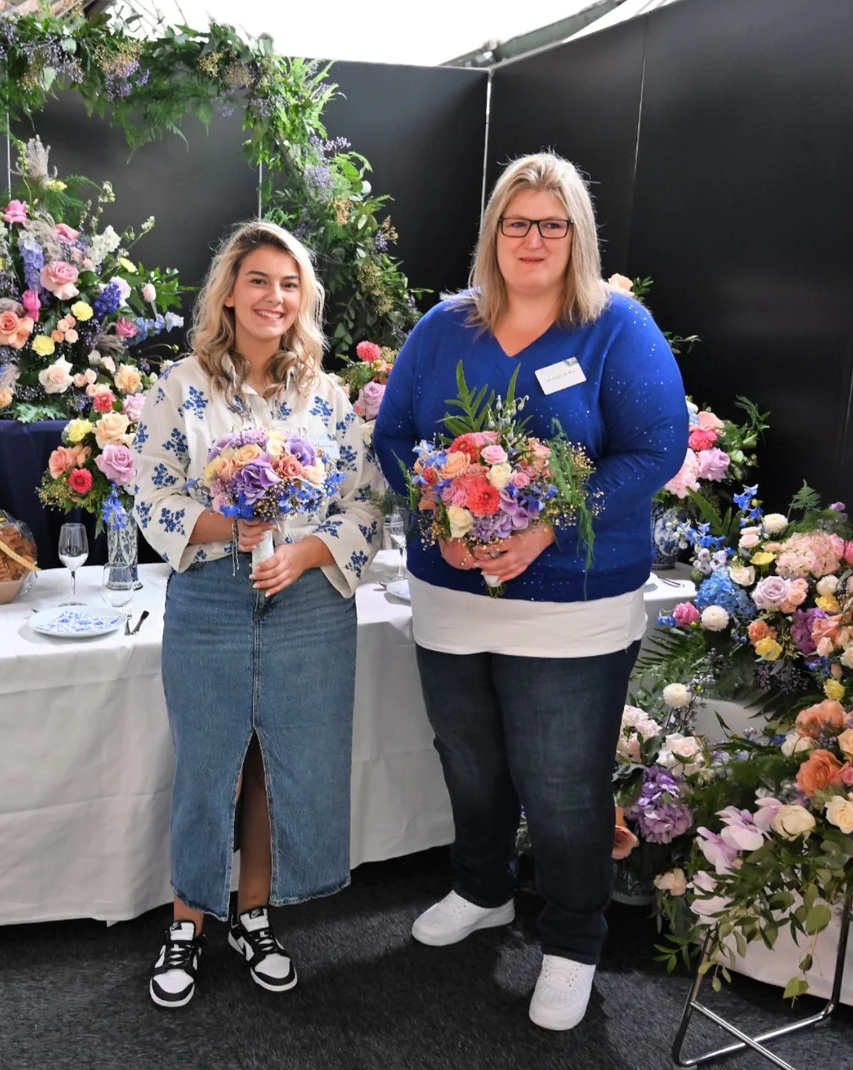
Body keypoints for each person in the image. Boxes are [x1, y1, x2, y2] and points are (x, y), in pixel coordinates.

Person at [373, 153, 687, 1031]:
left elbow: (654, 446)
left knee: (563, 783)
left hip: (574, 602)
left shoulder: (615, 328)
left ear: (577, 237)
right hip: (451, 592)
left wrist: (552, 522)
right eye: (518, 223)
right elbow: (397, 433)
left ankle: (574, 938)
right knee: (469, 763)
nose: (535, 239)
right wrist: (438, 510)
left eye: (554, 224)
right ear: (493, 236)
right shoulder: (445, 326)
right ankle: (482, 890)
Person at [132, 220, 384, 1008]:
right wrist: (226, 528)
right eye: (258, 281)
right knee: (210, 758)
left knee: (280, 762)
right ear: (229, 293)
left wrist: (305, 554)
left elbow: (368, 503)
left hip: (308, 602)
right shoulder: (182, 385)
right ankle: (188, 920)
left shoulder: (327, 394)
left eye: (288, 283)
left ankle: (255, 914)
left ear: (302, 297)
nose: (274, 296)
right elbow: (152, 494)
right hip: (208, 595)